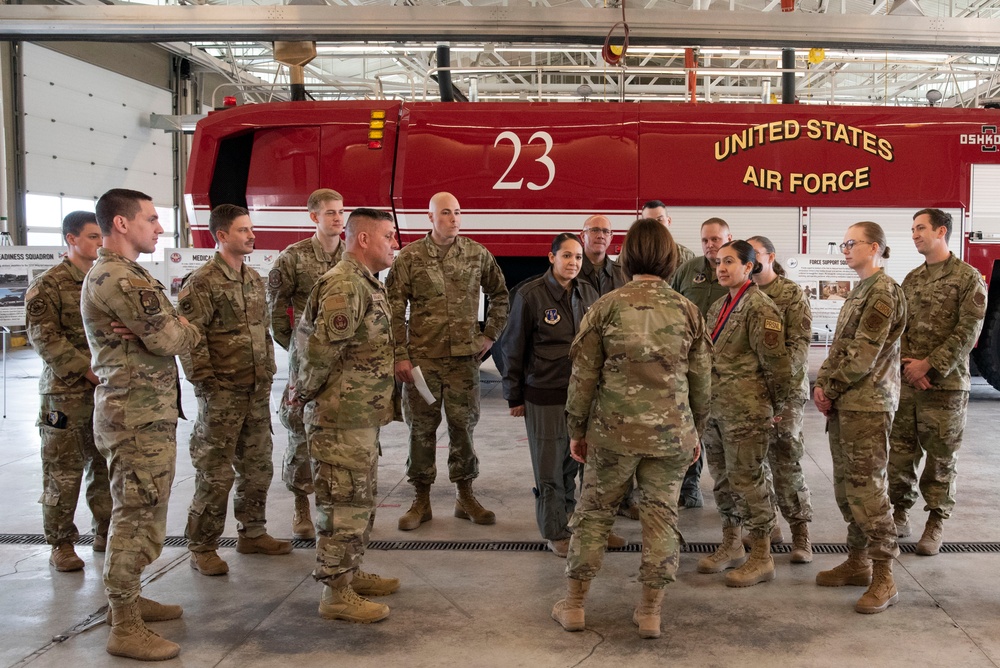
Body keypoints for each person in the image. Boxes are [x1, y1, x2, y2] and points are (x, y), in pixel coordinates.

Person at [551, 219, 710, 639]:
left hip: (611, 435)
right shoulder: (688, 310)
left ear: (629, 255)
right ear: (671, 257)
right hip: (670, 436)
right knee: (661, 519)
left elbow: (582, 377)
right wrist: (694, 432)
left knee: (593, 516)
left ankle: (574, 605)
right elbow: (702, 383)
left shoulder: (605, 307)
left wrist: (577, 429)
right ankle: (650, 612)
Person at [82, 188, 201, 660]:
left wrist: (166, 326)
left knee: (145, 510)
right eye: (151, 219)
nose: (160, 228)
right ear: (121, 224)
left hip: (144, 414)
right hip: (134, 417)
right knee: (133, 516)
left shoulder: (129, 275)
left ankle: (128, 601)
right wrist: (173, 324)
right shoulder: (119, 278)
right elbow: (174, 336)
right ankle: (124, 625)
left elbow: (165, 332)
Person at [293, 208, 401, 623]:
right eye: (389, 236)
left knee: (358, 500)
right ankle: (335, 592)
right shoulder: (344, 285)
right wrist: (304, 396)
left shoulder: (364, 283)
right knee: (342, 505)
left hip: (358, 416)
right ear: (364, 240)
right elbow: (317, 354)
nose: (395, 244)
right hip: (338, 418)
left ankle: (349, 574)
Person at [179, 204, 290, 577]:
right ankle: (202, 546)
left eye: (251, 229)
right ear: (222, 235)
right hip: (222, 394)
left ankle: (253, 532)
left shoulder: (253, 279)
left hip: (256, 391)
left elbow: (264, 331)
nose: (251, 235)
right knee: (215, 473)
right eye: (243, 230)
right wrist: (207, 385)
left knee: (257, 468)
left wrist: (269, 370)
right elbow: (190, 340)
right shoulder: (202, 282)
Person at [387, 192, 509, 531]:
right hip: (422, 362)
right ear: (430, 218)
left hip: (462, 363)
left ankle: (465, 495)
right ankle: (420, 499)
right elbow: (393, 309)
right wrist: (400, 354)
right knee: (421, 431)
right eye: (445, 213)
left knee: (463, 429)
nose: (453, 218)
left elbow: (500, 294)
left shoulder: (475, 253)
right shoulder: (409, 258)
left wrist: (490, 335)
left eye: (457, 212)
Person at [813, 221, 906, 615]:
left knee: (868, 490)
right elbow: (841, 347)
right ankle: (858, 561)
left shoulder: (883, 292)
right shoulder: (860, 291)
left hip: (868, 404)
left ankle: (884, 576)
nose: (845, 249)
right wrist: (823, 385)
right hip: (848, 403)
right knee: (847, 488)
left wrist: (829, 387)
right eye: (843, 244)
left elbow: (865, 353)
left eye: (852, 243)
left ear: (876, 248)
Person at [888, 209, 987, 556]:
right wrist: (906, 368)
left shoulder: (967, 278)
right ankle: (899, 513)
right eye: (912, 229)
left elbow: (968, 332)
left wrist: (929, 366)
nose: (914, 234)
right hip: (908, 383)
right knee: (900, 455)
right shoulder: (911, 279)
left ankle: (935, 521)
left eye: (921, 228)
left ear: (941, 231)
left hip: (945, 386)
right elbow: (897, 329)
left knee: (940, 457)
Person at [500, 233, 603, 557]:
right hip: (543, 395)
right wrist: (513, 396)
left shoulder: (587, 292)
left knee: (571, 464)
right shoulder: (531, 295)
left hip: (579, 396)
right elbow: (512, 347)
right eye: (567, 256)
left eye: (578, 258)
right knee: (548, 470)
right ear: (551, 257)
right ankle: (554, 531)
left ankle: (568, 518)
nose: (573, 263)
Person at [696, 241, 791, 587]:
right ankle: (732, 544)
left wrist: (776, 408)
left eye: (730, 262)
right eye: (718, 262)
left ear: (749, 267)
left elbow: (777, 366)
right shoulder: (720, 305)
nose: (721, 268)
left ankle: (762, 556)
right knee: (722, 480)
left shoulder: (760, 308)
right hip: (717, 409)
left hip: (747, 412)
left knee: (748, 482)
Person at [25, 211, 112, 572]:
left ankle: (105, 530)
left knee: (105, 466)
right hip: (64, 395)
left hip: (104, 391)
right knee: (63, 471)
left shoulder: (104, 281)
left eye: (100, 236)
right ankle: (60, 542)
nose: (99, 243)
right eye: (92, 236)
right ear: (71, 239)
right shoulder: (48, 285)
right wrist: (88, 371)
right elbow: (45, 339)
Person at [266, 188, 346, 540]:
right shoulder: (293, 258)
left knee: (340, 432)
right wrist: (297, 352)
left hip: (344, 364)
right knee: (300, 433)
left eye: (341, 212)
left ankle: (336, 505)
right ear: (314, 217)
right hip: (307, 364)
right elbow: (276, 314)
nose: (337, 219)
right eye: (330, 213)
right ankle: (301, 507)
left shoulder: (351, 257)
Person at [748, 235, 815, 563]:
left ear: (771, 256)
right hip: (751, 394)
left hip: (785, 392)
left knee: (785, 459)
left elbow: (800, 345)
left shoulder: (791, 294)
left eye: (756, 253)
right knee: (754, 462)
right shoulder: (744, 294)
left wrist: (781, 393)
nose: (751, 259)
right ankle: (767, 525)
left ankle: (801, 533)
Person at [669, 217, 733, 508]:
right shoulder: (687, 269)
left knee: (721, 431)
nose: (710, 245)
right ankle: (690, 487)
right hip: (689, 362)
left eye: (716, 239)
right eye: (706, 240)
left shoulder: (735, 271)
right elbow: (669, 304)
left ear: (728, 238)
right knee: (690, 425)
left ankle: (731, 495)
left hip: (726, 366)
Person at [577, 214, 626, 296]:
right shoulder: (572, 271)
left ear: (611, 237)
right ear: (582, 236)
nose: (600, 236)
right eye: (595, 230)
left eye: (606, 231)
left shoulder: (622, 274)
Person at [640, 200, 695, 269]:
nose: (655, 225)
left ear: (668, 221)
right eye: (650, 221)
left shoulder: (686, 256)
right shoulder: (632, 254)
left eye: (659, 220)